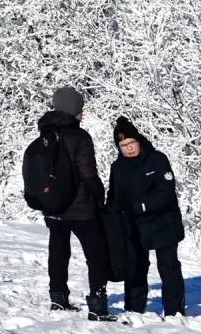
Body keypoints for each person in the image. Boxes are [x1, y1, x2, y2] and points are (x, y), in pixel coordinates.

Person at [37, 86, 114, 321]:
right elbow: (88, 173)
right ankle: (98, 306)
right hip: (81, 207)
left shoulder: (44, 135)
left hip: (53, 206)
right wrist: (100, 197)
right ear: (74, 110)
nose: (83, 112)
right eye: (80, 108)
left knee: (58, 251)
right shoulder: (80, 137)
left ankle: (58, 299)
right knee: (96, 253)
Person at [107, 117, 187, 316]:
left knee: (168, 267)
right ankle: (134, 308)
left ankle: (174, 311)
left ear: (139, 141)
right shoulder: (117, 167)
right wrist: (111, 216)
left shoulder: (157, 159)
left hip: (163, 222)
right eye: (124, 145)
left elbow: (167, 191)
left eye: (131, 143)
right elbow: (114, 195)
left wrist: (142, 205)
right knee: (134, 267)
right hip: (134, 225)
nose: (129, 148)